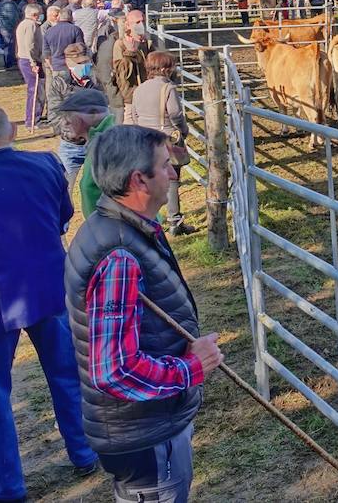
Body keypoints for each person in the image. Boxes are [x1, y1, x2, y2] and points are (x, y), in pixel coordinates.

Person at [0, 109, 99, 502]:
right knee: (67, 376)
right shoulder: (46, 165)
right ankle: (84, 450)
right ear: (11, 132)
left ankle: (6, 486)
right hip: (49, 285)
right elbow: (63, 214)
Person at [66, 125, 223, 502]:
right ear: (139, 179)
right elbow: (114, 371)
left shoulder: (118, 229)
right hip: (141, 431)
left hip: (140, 426)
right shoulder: (118, 256)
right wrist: (191, 369)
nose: (173, 173)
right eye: (166, 165)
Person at [127, 52, 194, 236]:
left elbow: (134, 115)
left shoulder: (139, 89)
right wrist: (183, 130)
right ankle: (174, 220)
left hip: (145, 140)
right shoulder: (168, 89)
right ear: (165, 69)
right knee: (172, 180)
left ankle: (148, 218)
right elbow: (175, 114)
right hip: (167, 138)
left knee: (148, 180)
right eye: (171, 66)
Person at [57, 89, 114, 218]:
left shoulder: (106, 144)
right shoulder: (99, 141)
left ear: (93, 114)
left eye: (69, 117)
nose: (64, 123)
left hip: (113, 229)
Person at [50, 43, 103, 179]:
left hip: (95, 142)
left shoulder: (96, 80)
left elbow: (104, 107)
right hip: (71, 145)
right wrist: (71, 132)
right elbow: (54, 113)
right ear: (69, 63)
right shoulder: (59, 82)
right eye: (79, 63)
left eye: (86, 62)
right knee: (65, 185)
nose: (84, 66)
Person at [14, 4, 46, 133]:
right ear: (35, 15)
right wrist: (33, 63)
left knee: (35, 90)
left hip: (25, 59)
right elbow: (30, 45)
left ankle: (33, 118)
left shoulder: (23, 24)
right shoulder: (30, 25)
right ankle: (32, 120)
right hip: (29, 61)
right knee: (36, 91)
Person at [43, 5, 86, 75]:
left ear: (59, 17)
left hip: (56, 66)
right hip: (72, 67)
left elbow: (46, 53)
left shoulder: (49, 31)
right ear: (71, 17)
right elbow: (80, 49)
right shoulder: (75, 29)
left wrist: (52, 67)